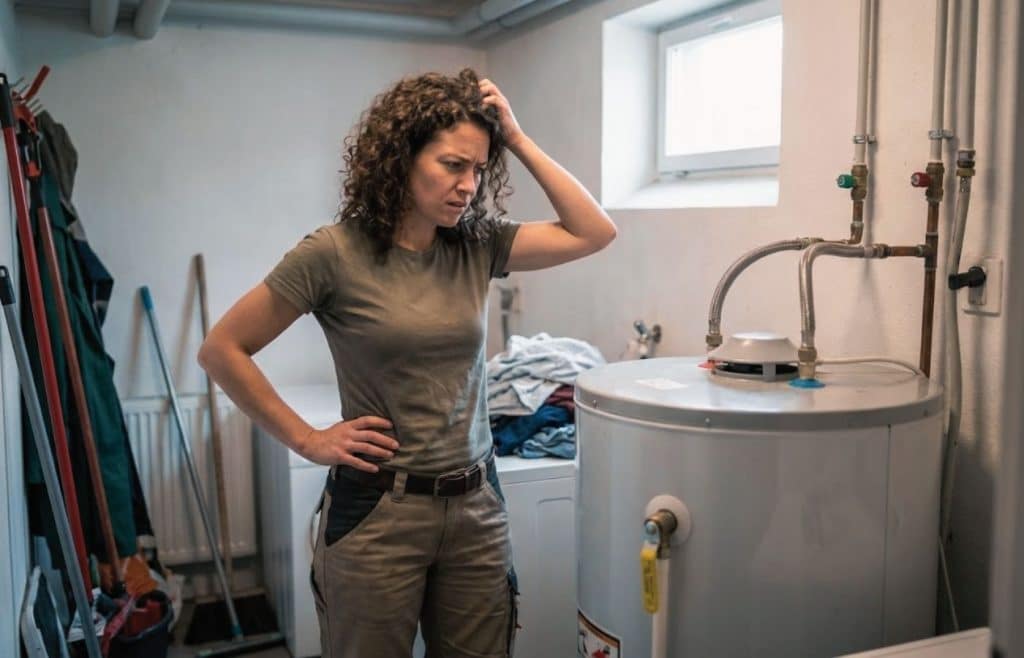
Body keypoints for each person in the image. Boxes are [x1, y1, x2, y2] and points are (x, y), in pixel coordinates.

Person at [198, 68, 616, 658]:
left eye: (479, 168)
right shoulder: (334, 253)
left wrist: (517, 139)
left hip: (476, 507)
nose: (468, 185)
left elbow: (594, 231)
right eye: (453, 165)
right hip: (378, 512)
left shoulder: (476, 245)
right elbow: (222, 349)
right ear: (401, 158)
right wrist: (308, 440)